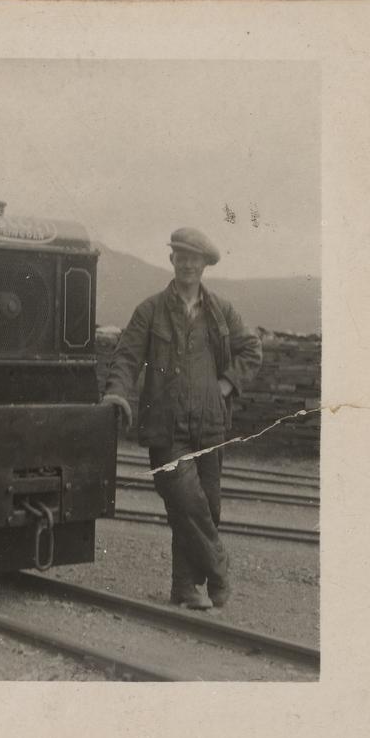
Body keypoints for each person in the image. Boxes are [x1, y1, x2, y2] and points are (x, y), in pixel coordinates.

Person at [101, 228, 262, 610]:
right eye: (181, 256)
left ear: (205, 265)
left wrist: (225, 385)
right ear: (171, 260)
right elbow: (126, 357)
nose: (188, 264)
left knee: (206, 508)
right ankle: (219, 572)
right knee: (190, 504)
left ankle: (184, 587)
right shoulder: (150, 310)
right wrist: (116, 393)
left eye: (195, 258)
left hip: (211, 426)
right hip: (165, 428)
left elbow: (251, 349)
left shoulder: (221, 311)